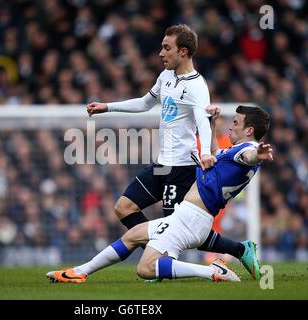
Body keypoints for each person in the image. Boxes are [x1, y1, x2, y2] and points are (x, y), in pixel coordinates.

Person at [86, 24, 260, 279]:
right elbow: (145, 103)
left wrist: (205, 153)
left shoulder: (197, 86)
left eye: (166, 48)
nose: (160, 53)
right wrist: (107, 107)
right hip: (162, 164)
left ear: (184, 51)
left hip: (183, 169)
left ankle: (232, 250)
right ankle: (161, 259)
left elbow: (202, 120)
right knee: (124, 208)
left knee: (181, 232)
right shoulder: (165, 77)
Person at [47, 105, 272, 283]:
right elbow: (214, 152)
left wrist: (258, 153)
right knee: (133, 234)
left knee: (145, 268)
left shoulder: (246, 150)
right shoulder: (234, 151)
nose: (231, 127)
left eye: (236, 123)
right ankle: (79, 271)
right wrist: (211, 124)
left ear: (249, 130)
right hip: (191, 216)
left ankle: (212, 271)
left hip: (192, 218)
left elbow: (250, 155)